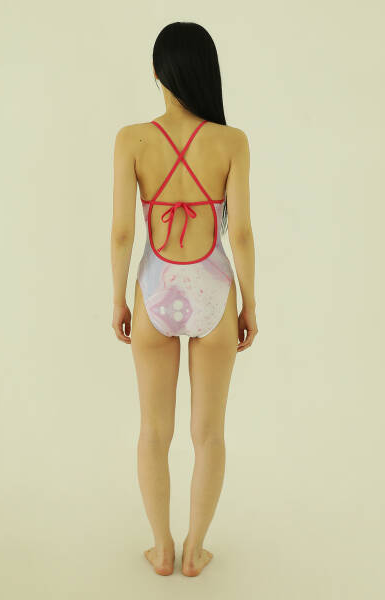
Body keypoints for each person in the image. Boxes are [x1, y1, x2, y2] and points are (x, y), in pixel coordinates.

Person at [110, 21, 257, 577]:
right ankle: (195, 549)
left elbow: (122, 233)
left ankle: (161, 548)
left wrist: (119, 298)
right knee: (209, 433)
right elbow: (241, 234)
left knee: (153, 431)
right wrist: (249, 304)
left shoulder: (131, 139)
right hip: (214, 290)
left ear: (157, 73)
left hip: (154, 290)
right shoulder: (232, 141)